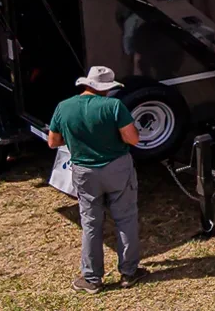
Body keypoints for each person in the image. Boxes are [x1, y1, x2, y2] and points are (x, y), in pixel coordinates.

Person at [47, 66, 146, 293]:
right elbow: (132, 139)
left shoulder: (64, 107)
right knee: (125, 219)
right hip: (118, 168)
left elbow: (53, 141)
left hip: (84, 171)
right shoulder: (114, 106)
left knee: (91, 223)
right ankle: (129, 273)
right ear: (107, 88)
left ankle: (92, 278)